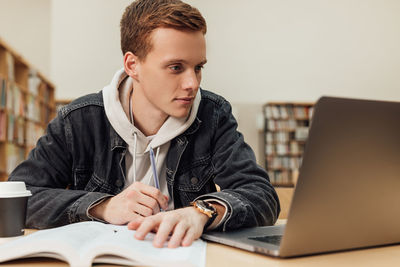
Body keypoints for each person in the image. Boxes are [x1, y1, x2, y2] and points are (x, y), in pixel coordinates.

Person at [9, 0, 280, 248]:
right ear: (132, 65)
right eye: (176, 67)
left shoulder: (213, 114)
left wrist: (202, 212)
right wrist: (103, 206)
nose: (193, 84)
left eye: (198, 67)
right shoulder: (78, 120)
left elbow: (262, 195)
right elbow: (18, 199)